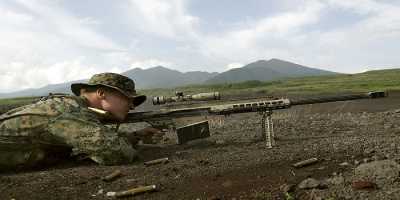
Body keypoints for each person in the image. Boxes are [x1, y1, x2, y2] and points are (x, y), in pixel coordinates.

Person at [0, 72, 163, 170]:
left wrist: (137, 135)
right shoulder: (70, 111)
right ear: (101, 93)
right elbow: (114, 152)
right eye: (128, 99)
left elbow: (94, 141)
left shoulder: (70, 107)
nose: (131, 106)